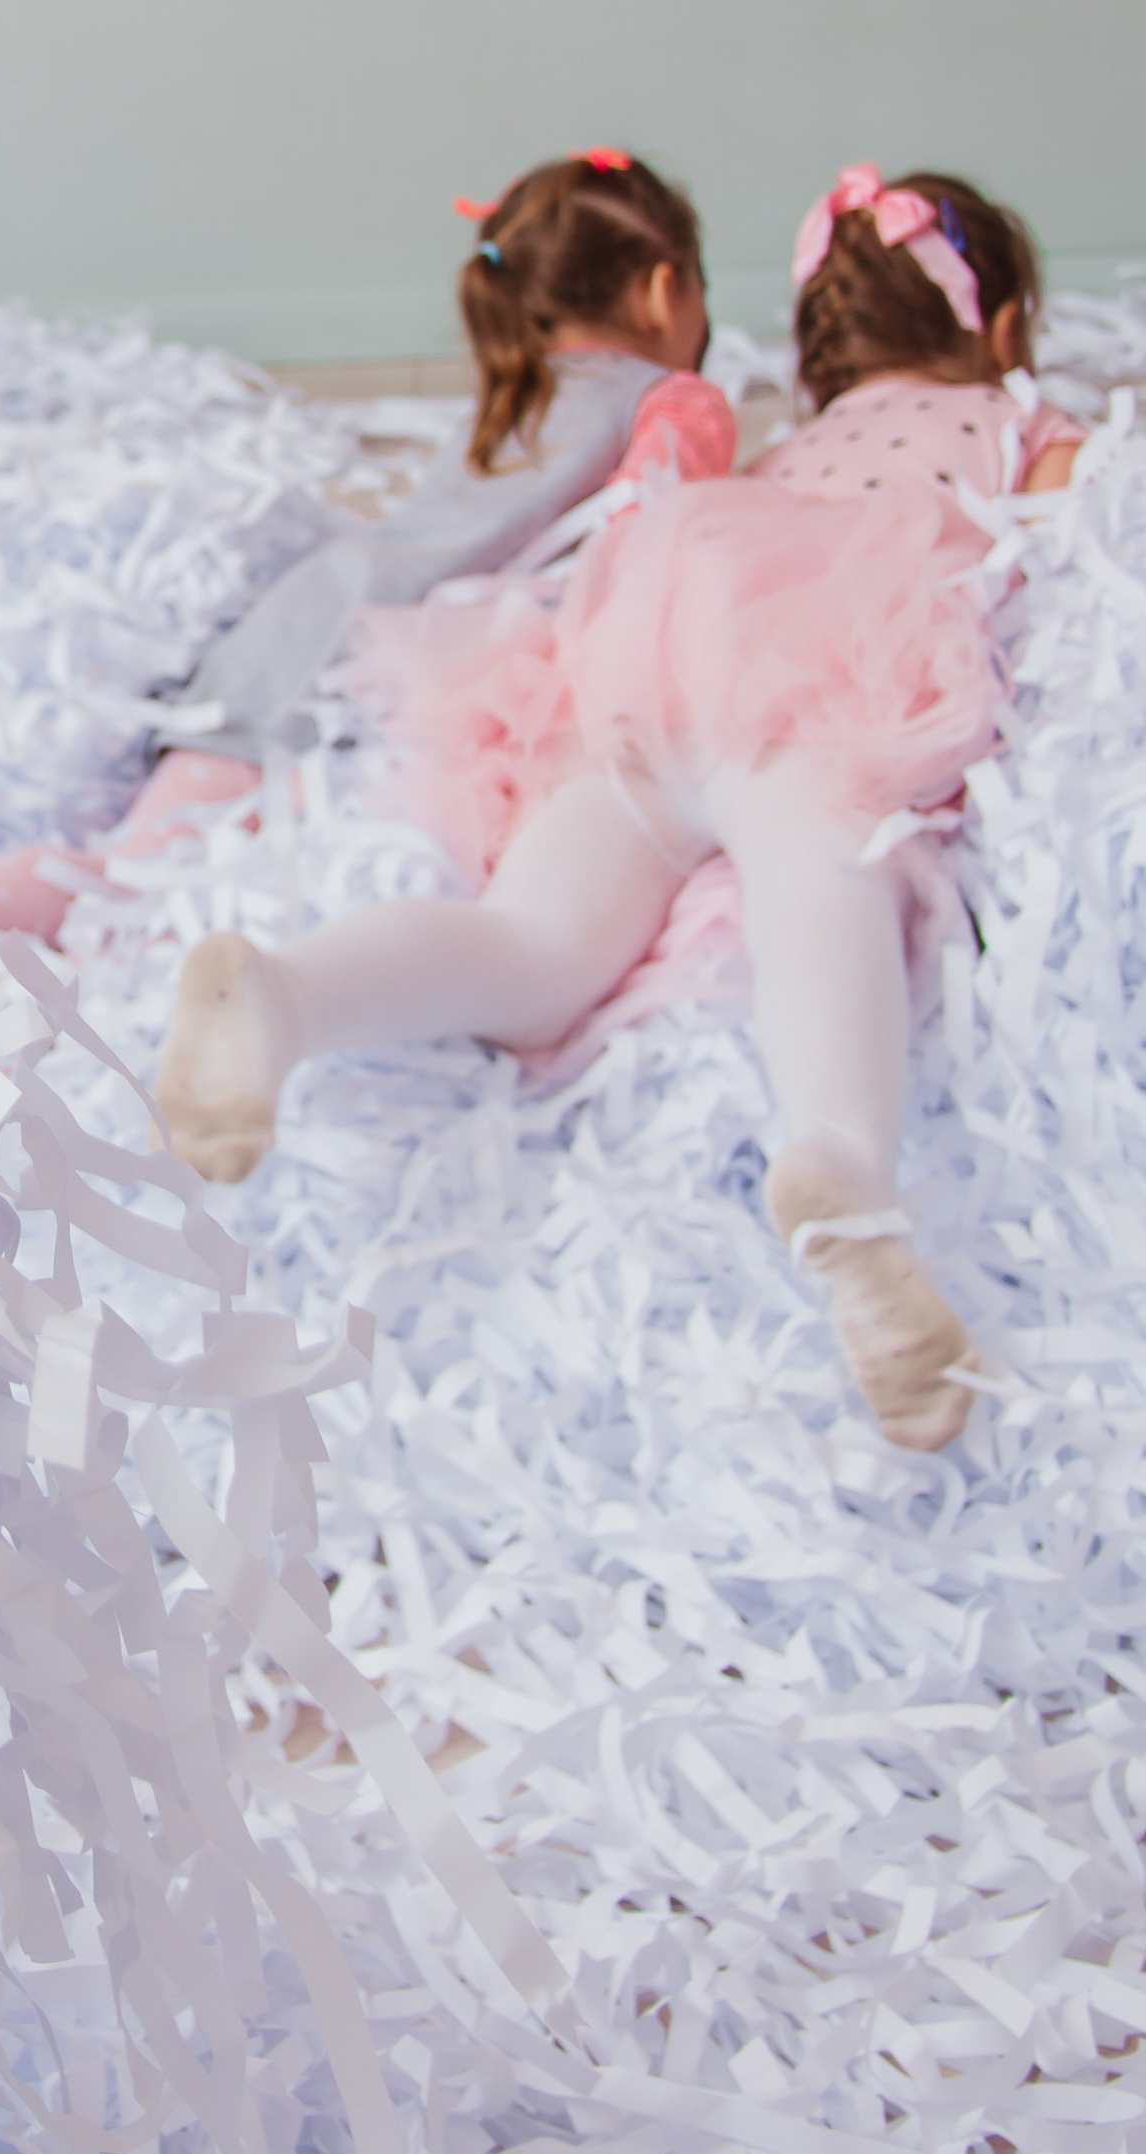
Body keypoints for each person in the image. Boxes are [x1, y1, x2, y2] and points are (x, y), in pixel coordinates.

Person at [153, 166, 1083, 1454]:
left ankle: (286, 992)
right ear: (1000, 326)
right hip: (821, 673)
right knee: (821, 877)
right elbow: (1087, 548)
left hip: (650, 652)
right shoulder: (1018, 422)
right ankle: (844, 1176)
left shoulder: (784, 452)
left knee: (535, 944)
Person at [0, 151, 734, 971]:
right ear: (665, 292)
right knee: (134, 882)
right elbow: (655, 530)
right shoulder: (675, 397)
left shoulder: (514, 397)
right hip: (363, 670)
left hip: (299, 619)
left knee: (135, 867)